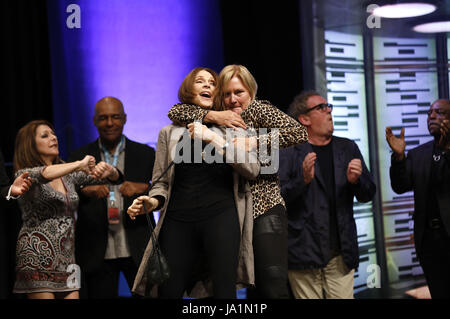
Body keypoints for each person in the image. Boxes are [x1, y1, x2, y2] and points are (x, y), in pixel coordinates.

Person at [167, 64, 308, 298]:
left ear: (250, 92)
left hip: (263, 203)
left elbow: (299, 133)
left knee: (271, 280)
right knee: (243, 283)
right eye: (226, 93)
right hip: (229, 208)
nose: (233, 99)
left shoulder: (259, 109)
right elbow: (176, 111)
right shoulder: (219, 115)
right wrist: (211, 115)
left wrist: (256, 141)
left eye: (239, 92)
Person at [128, 67, 259, 299]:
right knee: (169, 290)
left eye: (212, 82)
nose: (208, 85)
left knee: (223, 293)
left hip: (221, 215)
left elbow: (252, 169)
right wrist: (152, 201)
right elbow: (160, 182)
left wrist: (214, 138)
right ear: (189, 90)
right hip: (178, 219)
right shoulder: (168, 132)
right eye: (200, 81)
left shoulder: (231, 127)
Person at [278, 91, 376, 299]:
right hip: (303, 253)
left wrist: (357, 181)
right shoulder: (288, 150)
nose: (329, 110)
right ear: (304, 119)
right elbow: (276, 199)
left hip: (340, 254)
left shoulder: (347, 147)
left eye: (328, 106)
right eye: (321, 108)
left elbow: (368, 194)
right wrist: (302, 181)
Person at [12, 120, 121, 299]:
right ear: (30, 144)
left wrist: (110, 170)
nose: (53, 138)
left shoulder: (68, 175)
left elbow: (113, 179)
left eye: (53, 134)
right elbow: (44, 174)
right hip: (38, 257)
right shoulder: (24, 175)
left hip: (68, 259)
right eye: (45, 136)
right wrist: (79, 164)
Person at [68, 97, 155, 299]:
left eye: (115, 117)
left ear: (124, 119)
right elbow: (65, 196)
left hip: (137, 245)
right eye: (103, 118)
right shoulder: (79, 157)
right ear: (94, 121)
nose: (109, 123)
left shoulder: (145, 154)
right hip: (97, 249)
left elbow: (163, 194)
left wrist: (144, 188)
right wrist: (83, 191)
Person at [386, 99, 450, 299]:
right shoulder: (418, 154)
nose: (432, 116)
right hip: (429, 240)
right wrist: (399, 158)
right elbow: (400, 186)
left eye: (439, 112)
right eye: (430, 112)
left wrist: (445, 151)